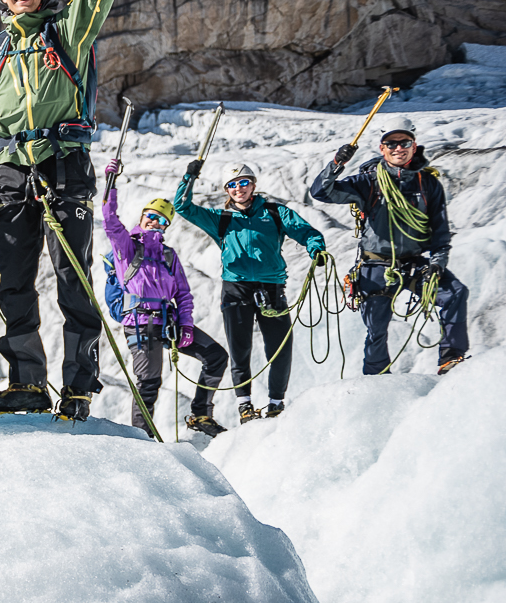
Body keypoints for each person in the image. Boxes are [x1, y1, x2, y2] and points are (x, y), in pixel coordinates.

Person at [0, 0, 128, 421]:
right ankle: (27, 383)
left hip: (63, 166)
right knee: (14, 280)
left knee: (73, 276)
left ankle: (78, 383)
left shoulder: (68, 33)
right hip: (10, 172)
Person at [309, 118, 470, 376]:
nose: (398, 148)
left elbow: (440, 232)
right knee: (377, 328)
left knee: (455, 293)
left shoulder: (428, 184)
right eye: (391, 143)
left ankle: (451, 359)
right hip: (376, 264)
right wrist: (337, 163)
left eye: (404, 142)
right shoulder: (368, 181)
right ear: (382, 148)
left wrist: (438, 263)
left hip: (413, 263)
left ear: (414, 146)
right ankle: (377, 380)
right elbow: (320, 192)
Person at [173, 159, 328, 421]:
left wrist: (317, 248)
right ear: (226, 190)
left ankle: (276, 403)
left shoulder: (275, 213)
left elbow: (306, 232)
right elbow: (182, 206)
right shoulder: (220, 218)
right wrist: (189, 178)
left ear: (253, 185)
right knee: (240, 348)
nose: (238, 188)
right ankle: (244, 405)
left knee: (279, 348)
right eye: (232, 185)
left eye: (243, 182)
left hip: (272, 288)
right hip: (236, 288)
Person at [102, 165, 231, 436]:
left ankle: (201, 415)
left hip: (168, 322)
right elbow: (110, 221)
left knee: (216, 356)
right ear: (142, 217)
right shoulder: (127, 248)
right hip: (139, 322)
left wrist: (185, 325)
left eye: (162, 220)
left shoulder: (169, 255)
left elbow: (182, 294)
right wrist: (110, 184)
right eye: (151, 216)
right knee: (149, 382)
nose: (155, 222)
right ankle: (141, 437)